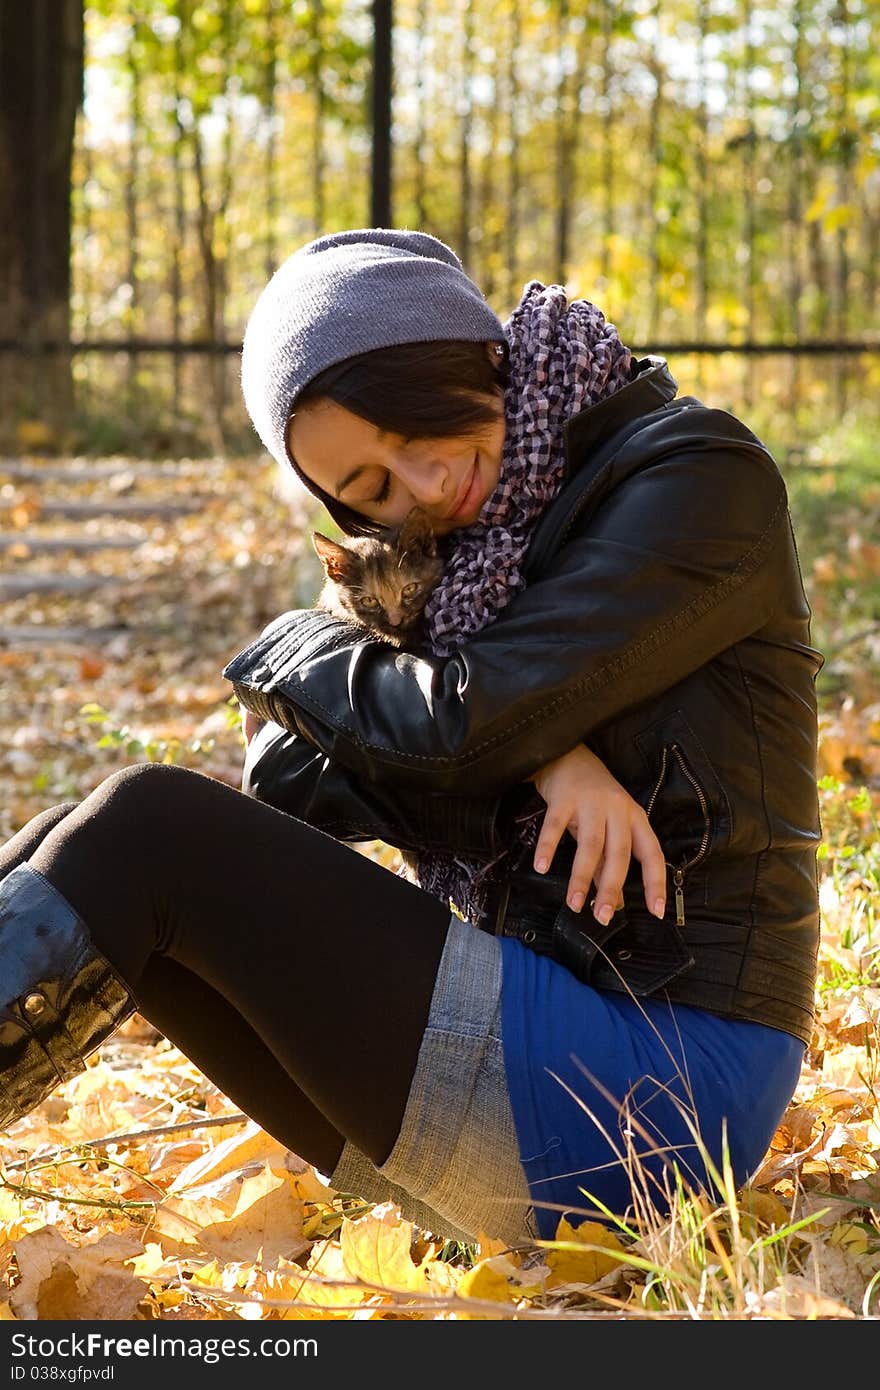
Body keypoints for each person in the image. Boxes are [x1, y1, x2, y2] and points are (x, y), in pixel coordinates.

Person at [0, 228, 823, 1250]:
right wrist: (542, 749)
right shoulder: (455, 561)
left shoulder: (695, 478)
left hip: (663, 1085)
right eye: (372, 489)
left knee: (144, 825)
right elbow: (292, 776)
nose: (424, 488)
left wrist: (292, 647)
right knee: (76, 847)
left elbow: (453, 729)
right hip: (539, 1045)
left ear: (465, 351)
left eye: (414, 425)